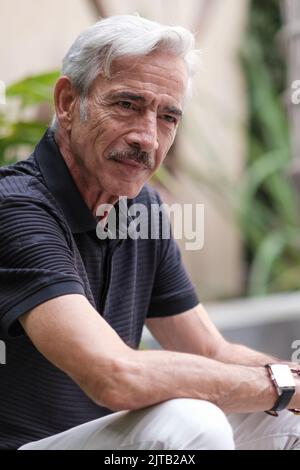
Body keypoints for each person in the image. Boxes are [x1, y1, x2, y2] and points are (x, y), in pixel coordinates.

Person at [0, 15, 299, 451]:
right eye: (127, 104)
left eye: (168, 117)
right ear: (67, 102)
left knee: (286, 420)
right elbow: (114, 375)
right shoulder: (15, 207)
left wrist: (293, 384)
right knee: (192, 422)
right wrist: (282, 383)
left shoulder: (140, 209)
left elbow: (210, 352)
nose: (147, 137)